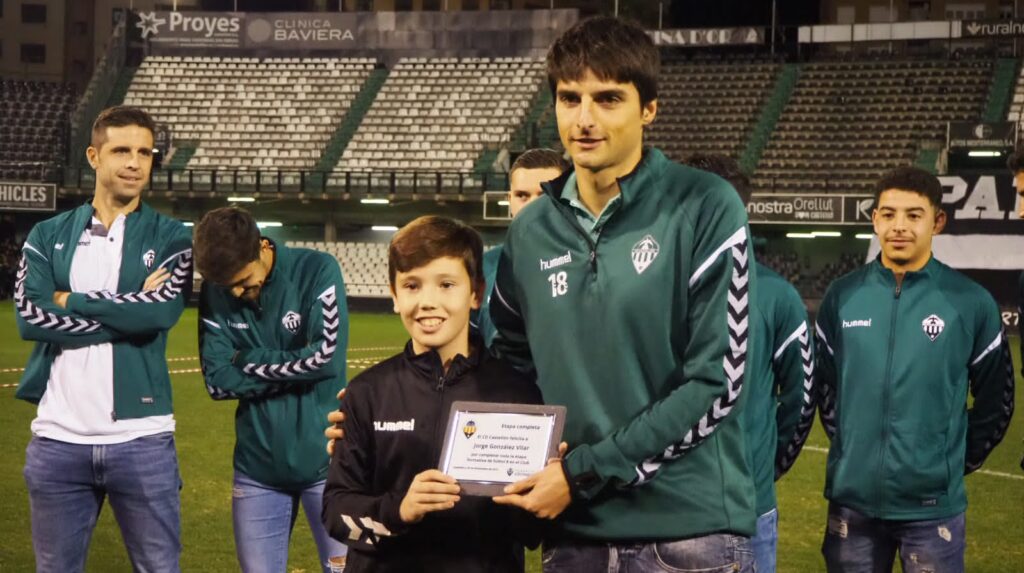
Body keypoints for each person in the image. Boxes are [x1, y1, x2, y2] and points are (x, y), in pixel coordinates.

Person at [488, 16, 758, 571]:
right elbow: (508, 368)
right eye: (570, 99)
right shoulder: (530, 228)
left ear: (648, 109)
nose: (584, 119)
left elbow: (717, 383)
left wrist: (582, 472)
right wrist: (386, 416)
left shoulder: (705, 204)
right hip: (573, 534)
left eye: (608, 98)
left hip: (689, 533)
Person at [14, 106, 192, 572]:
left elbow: (160, 313)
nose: (135, 163)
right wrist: (128, 309)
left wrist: (69, 299)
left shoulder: (172, 237)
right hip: (58, 441)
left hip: (143, 439)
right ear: (94, 157)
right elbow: (30, 317)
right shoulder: (47, 234)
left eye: (145, 153)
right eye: (121, 151)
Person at [816, 166, 1015, 572]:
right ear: (875, 219)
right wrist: (855, 451)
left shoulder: (970, 302)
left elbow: (997, 401)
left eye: (913, 215)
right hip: (852, 505)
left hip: (932, 510)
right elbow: (825, 388)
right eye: (888, 214)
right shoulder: (842, 296)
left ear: (937, 221)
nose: (899, 226)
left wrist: (947, 464)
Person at [321, 215, 543, 572]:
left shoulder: (517, 393)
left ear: (476, 293)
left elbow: (531, 533)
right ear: (394, 296)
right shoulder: (367, 393)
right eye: (412, 286)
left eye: (446, 284)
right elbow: (335, 514)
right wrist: (399, 510)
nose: (427, 301)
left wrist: (538, 493)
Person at [194, 206, 348, 573]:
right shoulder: (217, 291)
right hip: (256, 470)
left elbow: (325, 360)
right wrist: (297, 364)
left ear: (262, 247)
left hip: (329, 467)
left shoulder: (317, 270)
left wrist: (245, 358)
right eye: (227, 286)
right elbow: (217, 382)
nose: (236, 292)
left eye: (244, 281)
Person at [684, 153, 816, 573]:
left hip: (747, 510)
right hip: (657, 507)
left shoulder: (776, 296)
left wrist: (761, 470)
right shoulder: (642, 288)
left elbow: (801, 400)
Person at [472, 148, 568, 346]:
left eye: (545, 195)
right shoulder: (484, 267)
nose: (532, 206)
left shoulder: (591, 266)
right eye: (522, 195)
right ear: (509, 201)